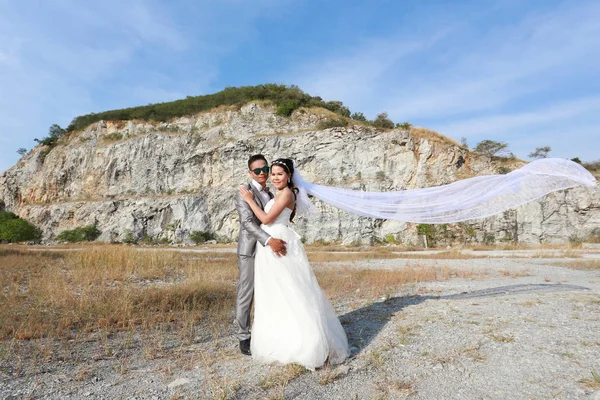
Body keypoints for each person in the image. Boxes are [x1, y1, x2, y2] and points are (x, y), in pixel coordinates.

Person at [239, 158, 349, 370]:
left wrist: (250, 200)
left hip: (277, 240)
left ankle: (310, 343)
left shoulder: (288, 193)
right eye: (273, 173)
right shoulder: (277, 194)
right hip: (268, 244)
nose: (275, 177)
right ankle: (280, 337)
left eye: (280, 173)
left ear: (289, 176)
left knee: (292, 290)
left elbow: (266, 218)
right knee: (275, 292)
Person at [234, 154, 287, 356]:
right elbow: (247, 223)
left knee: (270, 290)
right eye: (258, 171)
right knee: (246, 293)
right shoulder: (243, 193)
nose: (263, 173)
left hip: (268, 252)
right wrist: (268, 240)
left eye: (265, 169)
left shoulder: (270, 193)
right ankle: (243, 337)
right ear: (250, 173)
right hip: (250, 250)